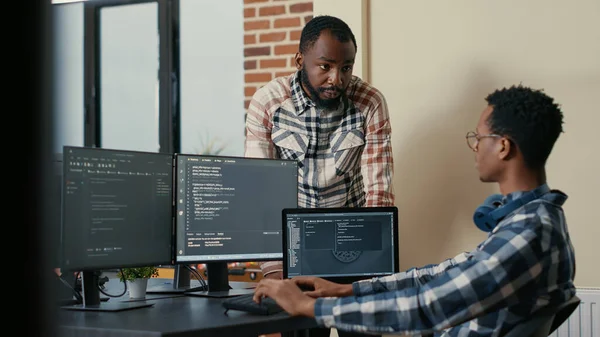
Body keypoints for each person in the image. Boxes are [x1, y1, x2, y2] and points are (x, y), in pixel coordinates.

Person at [252, 85, 576, 337]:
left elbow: (427, 307)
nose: (475, 145)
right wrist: (347, 288)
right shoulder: (531, 218)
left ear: (503, 146)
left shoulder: (528, 235)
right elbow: (446, 273)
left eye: (479, 137)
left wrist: (311, 308)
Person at [244, 15, 394, 337]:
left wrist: (374, 273)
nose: (336, 79)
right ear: (300, 60)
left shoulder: (370, 102)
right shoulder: (268, 103)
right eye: (325, 66)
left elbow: (379, 191)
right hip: (298, 252)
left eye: (346, 68)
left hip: (355, 244)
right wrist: (275, 273)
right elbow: (261, 197)